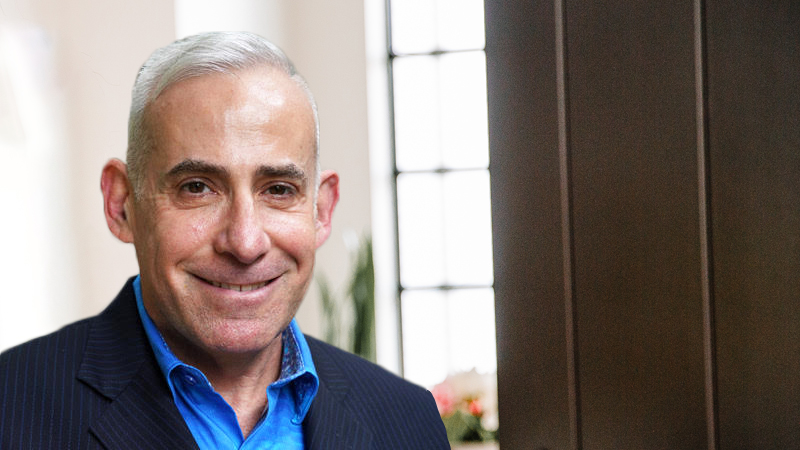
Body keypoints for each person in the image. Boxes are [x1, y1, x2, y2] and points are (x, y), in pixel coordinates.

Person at [0, 31, 449, 449]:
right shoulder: (10, 410)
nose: (245, 242)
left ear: (321, 210)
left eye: (278, 190)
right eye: (197, 187)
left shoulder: (407, 421)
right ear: (122, 204)